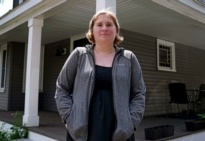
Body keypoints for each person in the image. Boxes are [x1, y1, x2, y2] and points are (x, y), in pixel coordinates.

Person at [54, 9, 146, 141]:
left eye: (109, 24)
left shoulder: (129, 58)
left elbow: (139, 93)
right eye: (99, 24)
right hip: (81, 132)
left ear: (116, 30)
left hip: (120, 132)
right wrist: (70, 117)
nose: (104, 28)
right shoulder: (79, 55)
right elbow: (62, 87)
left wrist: (130, 123)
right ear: (92, 30)